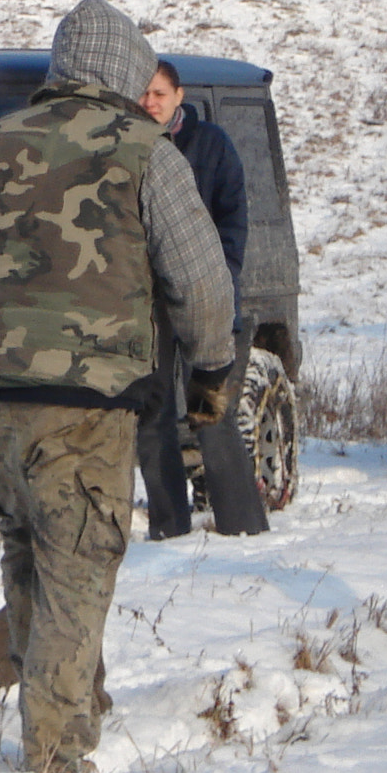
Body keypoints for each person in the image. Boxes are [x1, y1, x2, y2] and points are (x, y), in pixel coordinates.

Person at [0, 0, 235, 773]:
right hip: (83, 406)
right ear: (125, 72)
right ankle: (53, 761)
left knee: (27, 560)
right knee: (78, 568)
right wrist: (213, 369)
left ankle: (70, 703)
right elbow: (199, 278)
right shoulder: (146, 151)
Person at [137, 60, 267, 540]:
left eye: (158, 93)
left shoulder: (210, 145)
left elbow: (234, 219)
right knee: (152, 413)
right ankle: (169, 525)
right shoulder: (130, 148)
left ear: (179, 96)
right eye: (143, 95)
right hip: (148, 302)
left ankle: (243, 523)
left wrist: (223, 277)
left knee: (209, 406)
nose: (150, 102)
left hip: (204, 294)